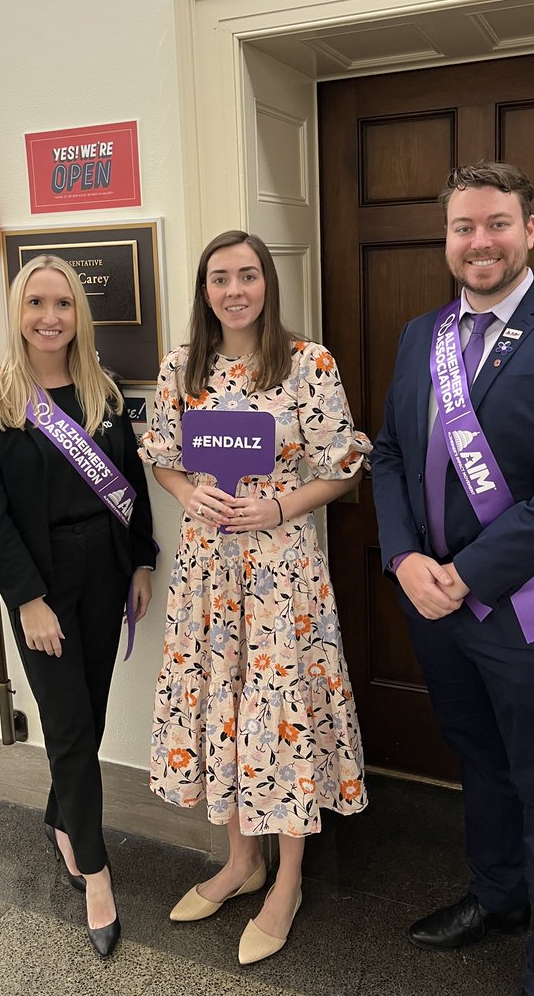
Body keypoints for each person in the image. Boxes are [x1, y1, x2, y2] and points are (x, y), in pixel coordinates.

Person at [371, 162, 534, 996]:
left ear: (529, 231)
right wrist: (408, 560)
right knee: (479, 761)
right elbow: (393, 456)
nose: (479, 241)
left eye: (496, 224)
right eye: (463, 227)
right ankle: (498, 898)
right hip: (436, 608)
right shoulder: (423, 337)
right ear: (446, 239)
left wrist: (466, 574)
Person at [140, 229, 370, 966]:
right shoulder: (183, 367)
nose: (233, 290)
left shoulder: (308, 364)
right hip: (208, 574)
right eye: (218, 278)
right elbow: (163, 462)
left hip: (280, 576)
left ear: (267, 282)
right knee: (226, 708)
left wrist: (278, 508)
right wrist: (190, 489)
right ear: (204, 290)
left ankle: (289, 879)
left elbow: (344, 469)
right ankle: (242, 862)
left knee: (283, 716)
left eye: (246, 275)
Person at [0, 254, 155, 959]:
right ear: (18, 312)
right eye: (36, 302)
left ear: (80, 313)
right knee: (70, 728)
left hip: (104, 575)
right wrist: (29, 600)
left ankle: (59, 816)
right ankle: (97, 876)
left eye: (63, 304)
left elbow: (130, 482)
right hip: (39, 585)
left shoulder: (100, 390)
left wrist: (140, 559)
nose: (50, 317)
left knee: (90, 717)